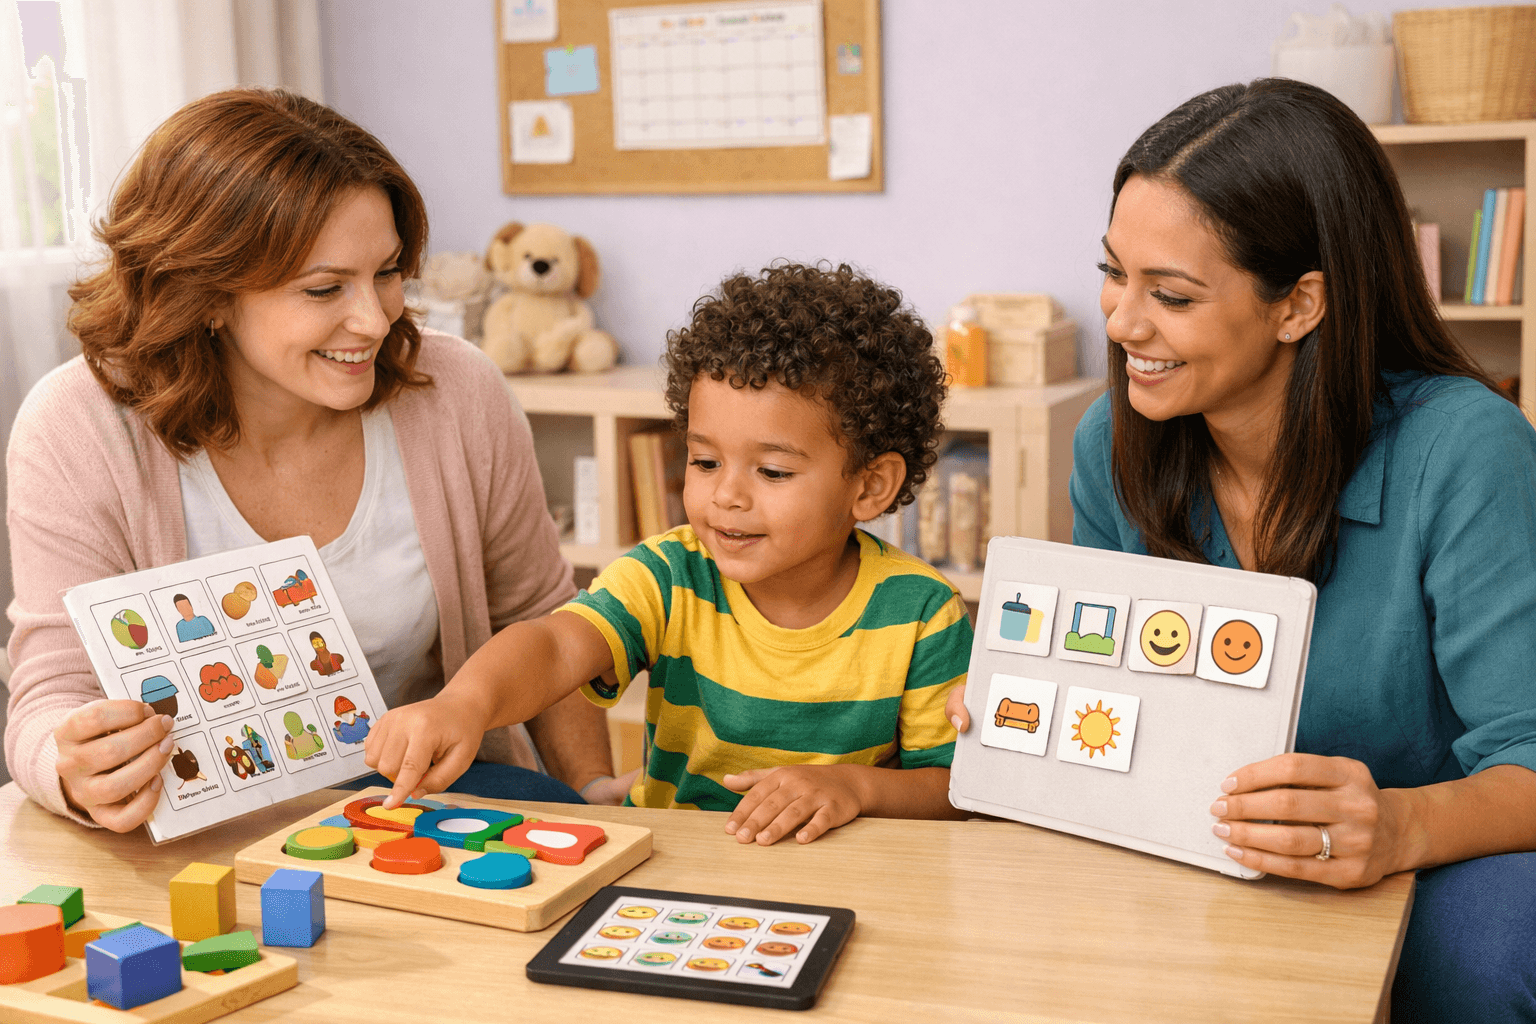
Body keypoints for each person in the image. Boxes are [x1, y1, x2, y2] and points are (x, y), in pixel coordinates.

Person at [948, 79, 1536, 1022]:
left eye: (1170, 295)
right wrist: (1032, 714)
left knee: (1485, 960)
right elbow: (1119, 701)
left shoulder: (1464, 450)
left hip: (1435, 849)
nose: (1121, 322)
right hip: (1197, 841)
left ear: (1299, 304)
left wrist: (1400, 824)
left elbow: (1529, 756)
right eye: (1114, 273)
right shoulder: (1116, 440)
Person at [5, 88, 625, 833]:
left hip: (425, 823)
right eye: (325, 288)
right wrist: (68, 766)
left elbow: (538, 619)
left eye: (389, 273)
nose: (375, 318)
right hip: (196, 843)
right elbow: (50, 695)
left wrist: (588, 791)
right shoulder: (78, 426)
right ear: (205, 293)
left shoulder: (458, 394)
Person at [366, 263, 973, 845]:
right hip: (675, 867)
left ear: (869, 486)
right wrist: (464, 704)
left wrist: (854, 787)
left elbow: (952, 790)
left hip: (849, 875)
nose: (726, 496)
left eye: (772, 470)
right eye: (704, 461)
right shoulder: (669, 575)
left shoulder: (919, 612)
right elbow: (553, 646)